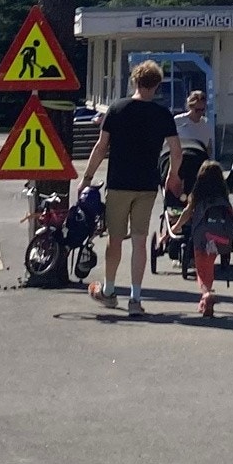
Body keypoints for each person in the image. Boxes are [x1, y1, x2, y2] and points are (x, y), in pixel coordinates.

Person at [78, 60, 183, 318]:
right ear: (157, 85)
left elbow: (101, 147)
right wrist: (172, 175)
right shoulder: (162, 114)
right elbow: (177, 151)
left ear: (135, 81)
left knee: (115, 239)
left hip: (119, 184)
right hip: (147, 185)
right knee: (139, 241)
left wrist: (87, 177)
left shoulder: (117, 109)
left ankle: (110, 291)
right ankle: (135, 298)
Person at [170, 157, 233, 319]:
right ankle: (204, 301)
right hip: (220, 236)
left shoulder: (198, 196)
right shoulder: (223, 197)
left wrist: (175, 227)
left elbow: (186, 214)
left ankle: (206, 294)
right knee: (209, 267)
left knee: (201, 270)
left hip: (202, 237)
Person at [175, 87, 215, 156]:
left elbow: (209, 147)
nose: (200, 113)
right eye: (197, 110)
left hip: (200, 159)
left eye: (202, 110)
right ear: (190, 107)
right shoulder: (178, 120)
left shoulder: (206, 124)